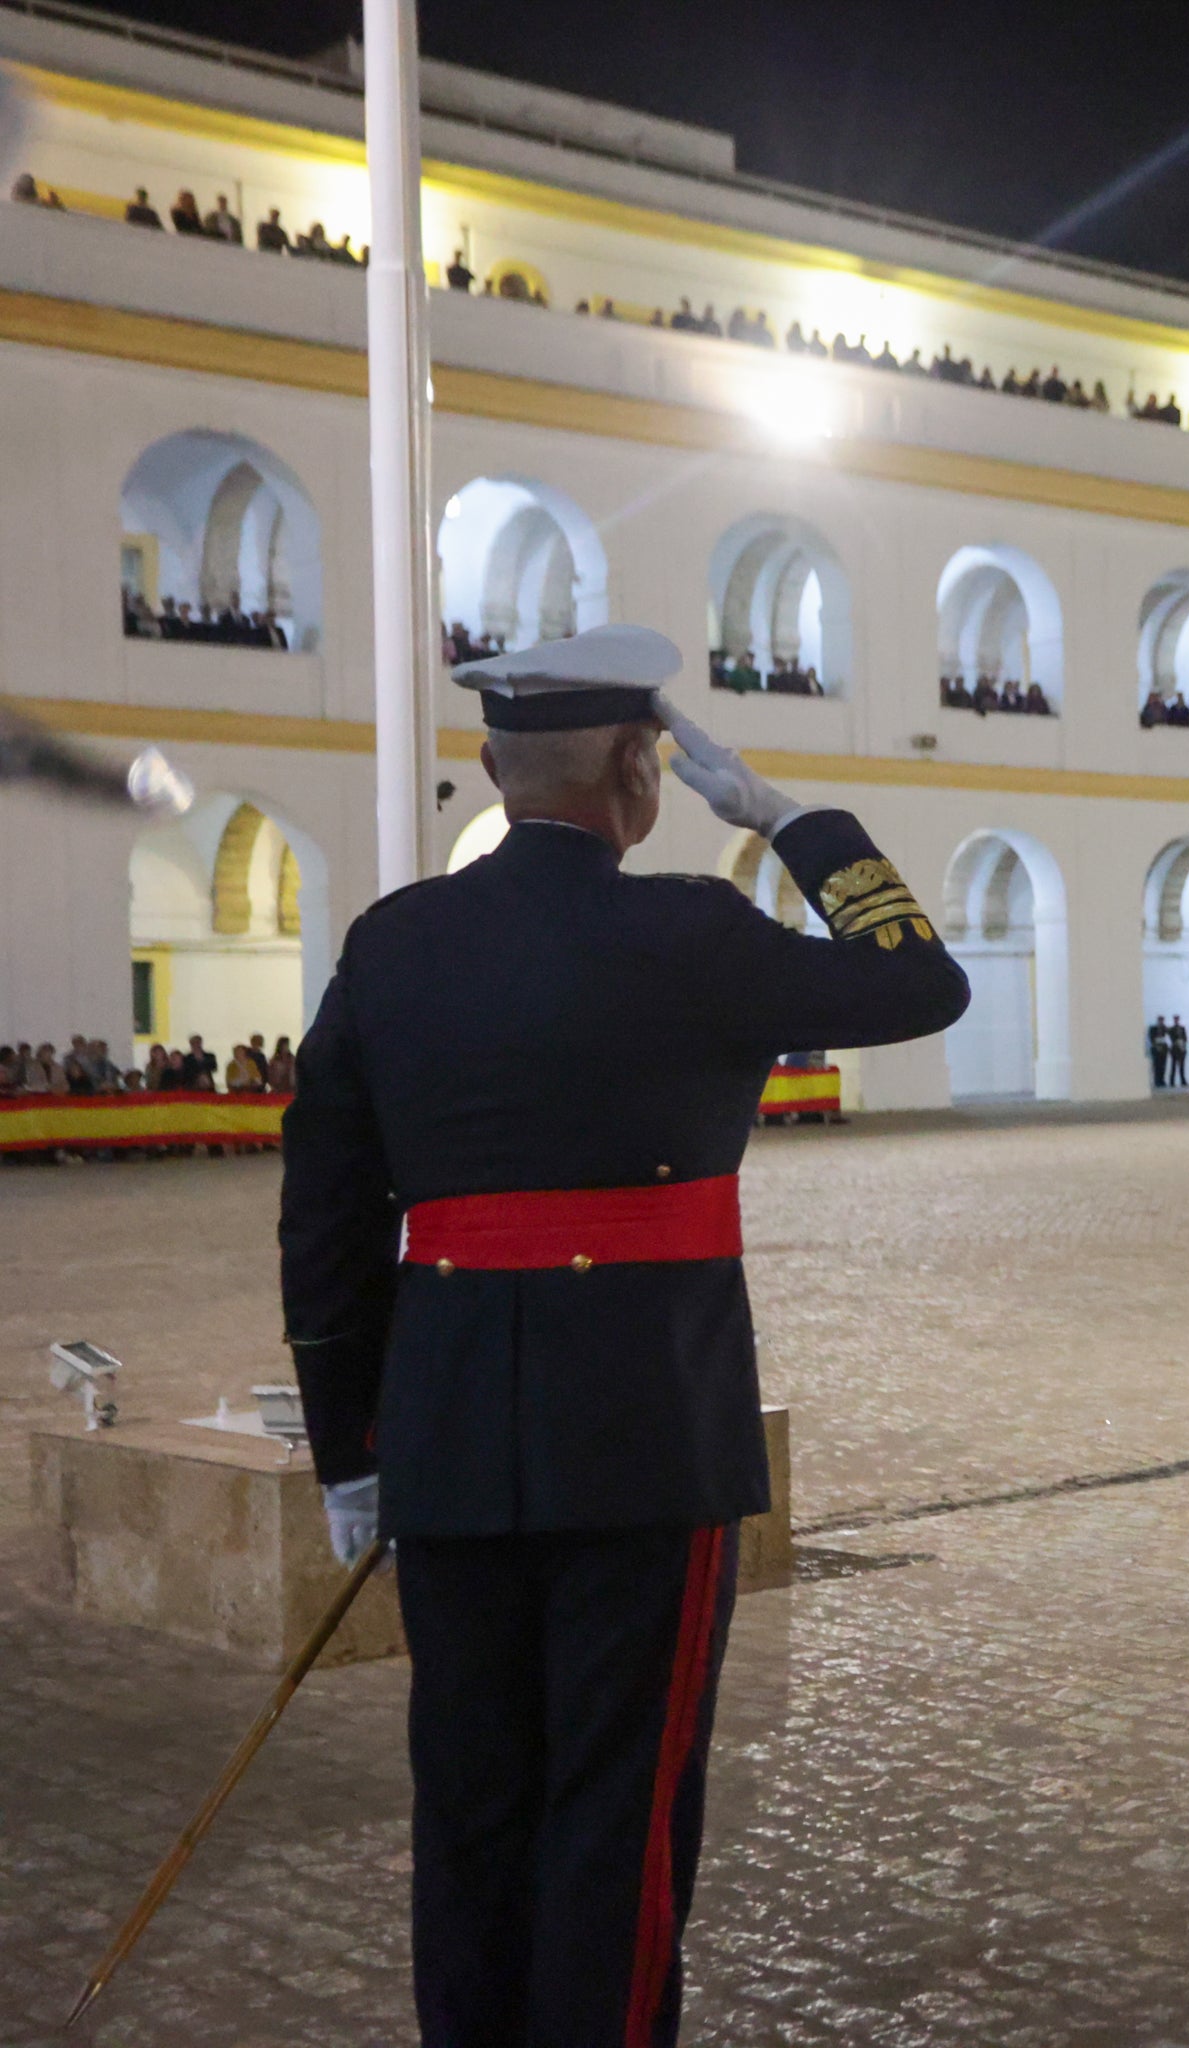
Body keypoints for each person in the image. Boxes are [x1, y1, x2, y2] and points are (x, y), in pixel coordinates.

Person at [279, 622, 968, 2047]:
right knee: (619, 1809)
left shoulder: (395, 944)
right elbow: (918, 983)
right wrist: (791, 822)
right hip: (647, 1435)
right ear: (642, 775)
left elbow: (326, 1225)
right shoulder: (693, 934)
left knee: (468, 1801)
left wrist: (354, 1452)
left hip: (450, 1435)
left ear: (490, 769)